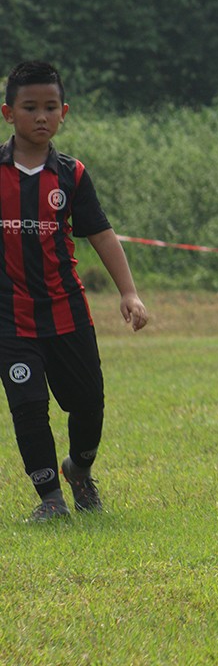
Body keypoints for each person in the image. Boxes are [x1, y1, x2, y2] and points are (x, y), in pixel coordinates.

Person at [0, 61, 149, 522]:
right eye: (30, 108)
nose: (40, 117)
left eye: (50, 107)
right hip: (11, 318)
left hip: (67, 312)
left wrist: (130, 293)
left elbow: (101, 234)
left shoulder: (72, 175)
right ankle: (50, 499)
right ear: (8, 113)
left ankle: (78, 469)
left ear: (63, 112)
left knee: (88, 403)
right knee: (28, 407)